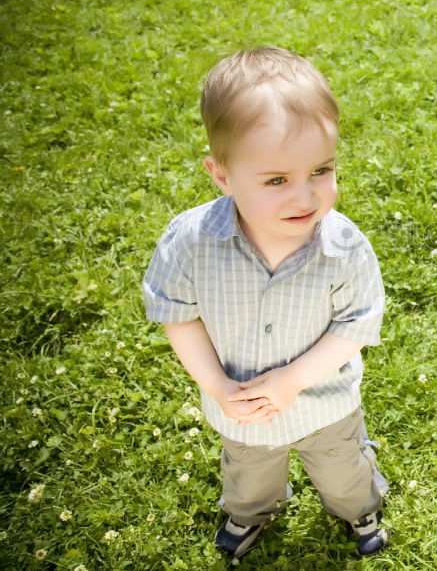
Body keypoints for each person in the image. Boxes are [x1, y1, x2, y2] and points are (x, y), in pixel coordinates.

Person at [143, 47, 389, 557]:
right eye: (277, 180)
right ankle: (253, 514)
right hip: (241, 408)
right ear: (222, 175)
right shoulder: (190, 242)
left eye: (321, 170)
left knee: (342, 467)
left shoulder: (343, 247)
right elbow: (179, 316)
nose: (305, 197)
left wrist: (292, 380)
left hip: (326, 405)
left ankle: (358, 508)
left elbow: (356, 325)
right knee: (249, 475)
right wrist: (214, 384)